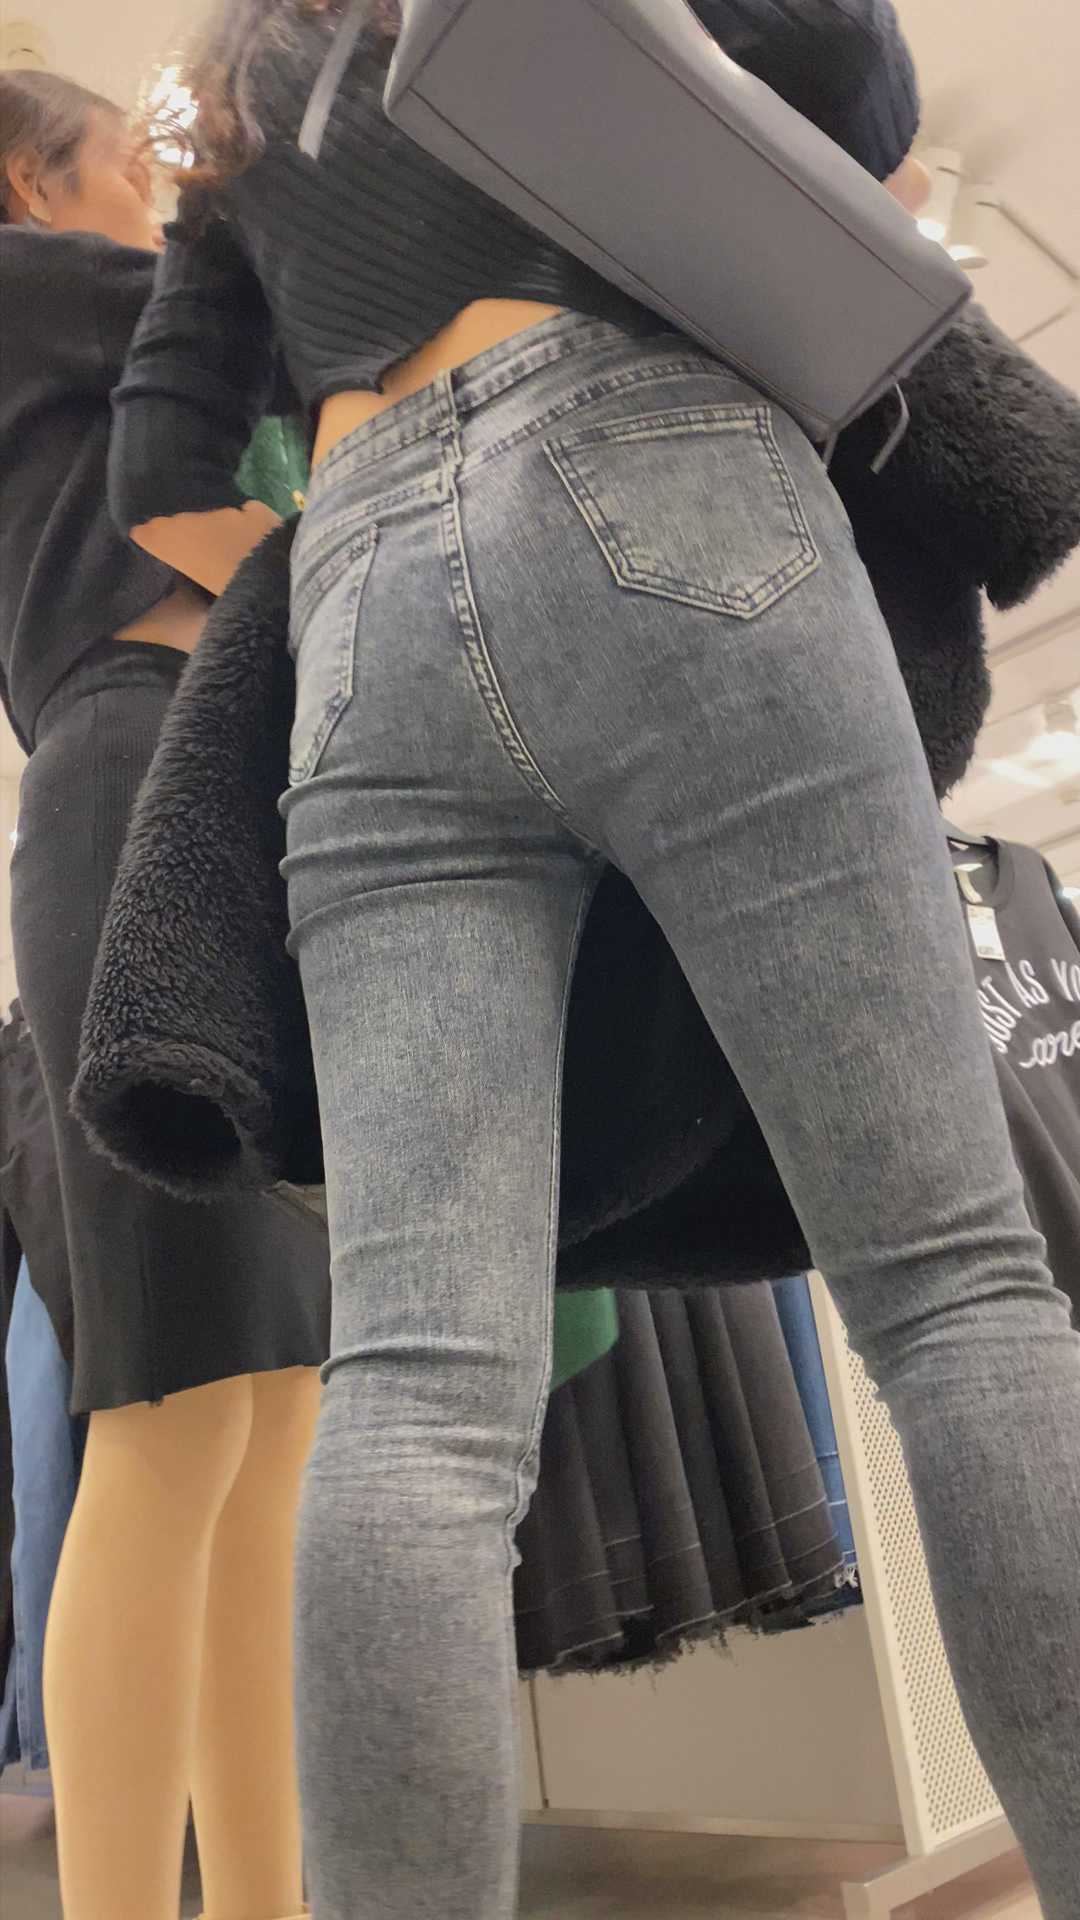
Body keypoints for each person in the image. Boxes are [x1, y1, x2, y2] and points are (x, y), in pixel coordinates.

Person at [110, 4, 1080, 1917]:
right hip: (661, 454)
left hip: (356, 590)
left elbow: (161, 466)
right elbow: (850, 86)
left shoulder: (250, 80)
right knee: (952, 1291)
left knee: (417, 1392)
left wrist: (394, 553)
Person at [0, 71, 325, 1920]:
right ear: (27, 182)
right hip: (133, 770)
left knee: (270, 1420)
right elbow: (248, 316)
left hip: (221, 775)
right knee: (180, 1407)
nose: (157, 189)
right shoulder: (24, 286)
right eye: (130, 161)